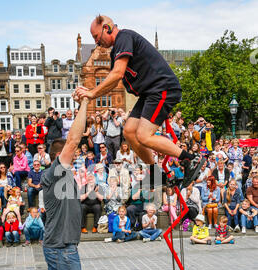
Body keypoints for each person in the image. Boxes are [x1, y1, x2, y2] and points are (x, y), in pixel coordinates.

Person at [74, 14, 204, 190]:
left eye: (97, 37)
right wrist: (90, 92)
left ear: (107, 28)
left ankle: (189, 158)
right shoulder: (115, 52)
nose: (97, 42)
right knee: (129, 132)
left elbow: (117, 74)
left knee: (143, 135)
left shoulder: (124, 37)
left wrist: (90, 93)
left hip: (162, 87)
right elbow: (112, 82)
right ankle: (155, 172)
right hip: (148, 93)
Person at [35, 97, 103, 270]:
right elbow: (73, 139)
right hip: (62, 250)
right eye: (70, 153)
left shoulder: (61, 178)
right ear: (60, 156)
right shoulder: (56, 171)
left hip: (55, 247)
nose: (75, 155)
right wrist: (86, 104)